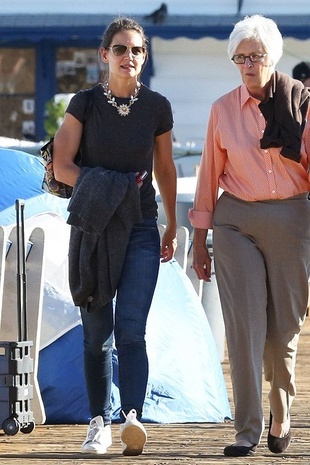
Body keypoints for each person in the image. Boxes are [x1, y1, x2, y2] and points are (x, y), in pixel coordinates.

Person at [53, 16, 177, 456]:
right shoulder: (83, 103)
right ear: (105, 55)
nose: (130, 56)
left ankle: (131, 419)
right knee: (96, 332)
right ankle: (97, 423)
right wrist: (109, 186)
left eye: (138, 50)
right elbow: (61, 164)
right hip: (96, 226)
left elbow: (165, 167)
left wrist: (173, 222)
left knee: (131, 330)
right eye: (121, 49)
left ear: (145, 57)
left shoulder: (157, 106)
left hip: (143, 226)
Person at [189, 14, 310, 457]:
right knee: (245, 328)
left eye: (255, 56)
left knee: (282, 333)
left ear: (271, 57)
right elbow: (209, 175)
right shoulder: (222, 110)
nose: (248, 64)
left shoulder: (302, 103)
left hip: (292, 219)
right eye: (240, 57)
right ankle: (246, 430)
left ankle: (281, 412)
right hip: (235, 220)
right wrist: (200, 237)